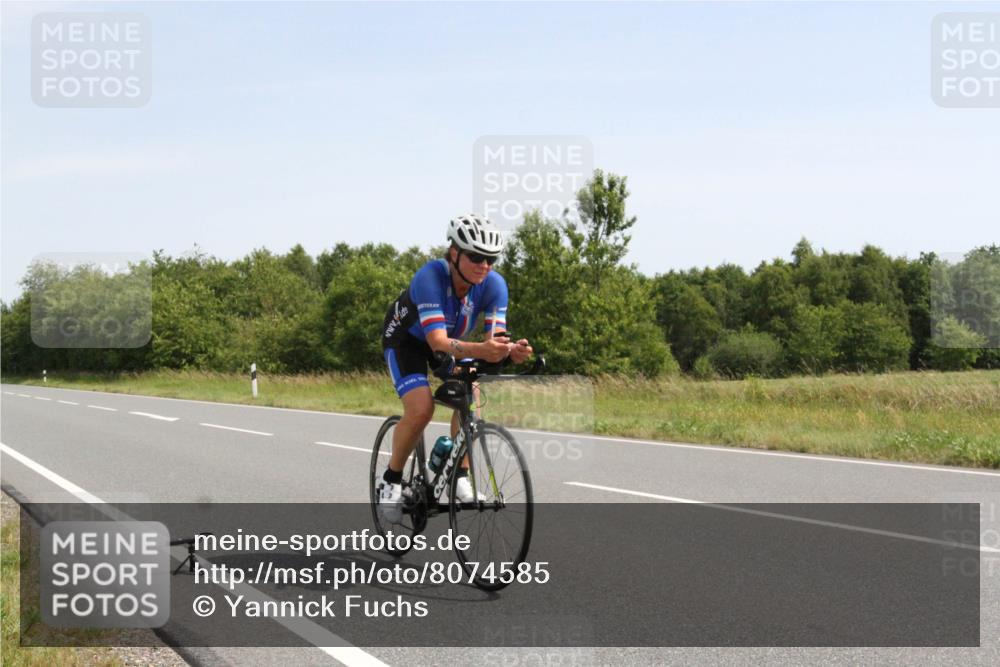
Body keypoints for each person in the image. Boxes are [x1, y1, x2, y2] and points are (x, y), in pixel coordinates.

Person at [378, 214, 533, 522]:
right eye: (476, 256)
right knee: (421, 409)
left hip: (448, 344)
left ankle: (460, 477)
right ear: (454, 253)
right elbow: (436, 341)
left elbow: (494, 341)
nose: (484, 265)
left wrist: (509, 352)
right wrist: (484, 350)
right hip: (406, 342)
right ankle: (391, 480)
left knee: (471, 396)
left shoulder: (495, 286)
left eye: (490, 258)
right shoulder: (430, 277)